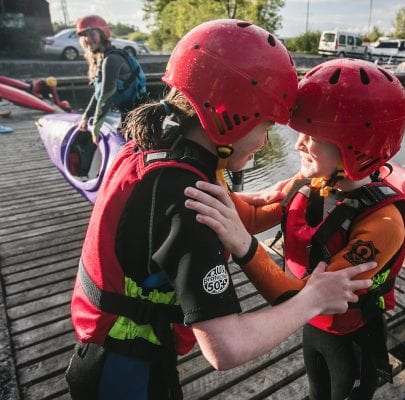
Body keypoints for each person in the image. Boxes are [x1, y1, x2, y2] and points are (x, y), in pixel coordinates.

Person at [65, 20, 376, 400]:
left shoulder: (156, 140)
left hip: (103, 355)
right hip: (127, 374)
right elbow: (225, 347)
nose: (264, 141)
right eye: (266, 126)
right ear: (234, 116)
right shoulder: (190, 201)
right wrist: (314, 298)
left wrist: (259, 201)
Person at [184, 59, 405, 400]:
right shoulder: (309, 183)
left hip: (350, 337)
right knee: (316, 390)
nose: (297, 145)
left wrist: (245, 247)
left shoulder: (383, 224)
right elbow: (249, 214)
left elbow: (305, 296)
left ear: (356, 146)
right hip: (310, 327)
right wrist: (210, 165)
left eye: (312, 137)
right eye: (300, 133)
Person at [76, 15, 147, 144]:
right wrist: (86, 117)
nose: (87, 39)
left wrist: (96, 129)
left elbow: (106, 96)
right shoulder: (104, 58)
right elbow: (98, 94)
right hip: (126, 116)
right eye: (84, 35)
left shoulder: (112, 59)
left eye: (91, 34)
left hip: (137, 119)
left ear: (103, 34)